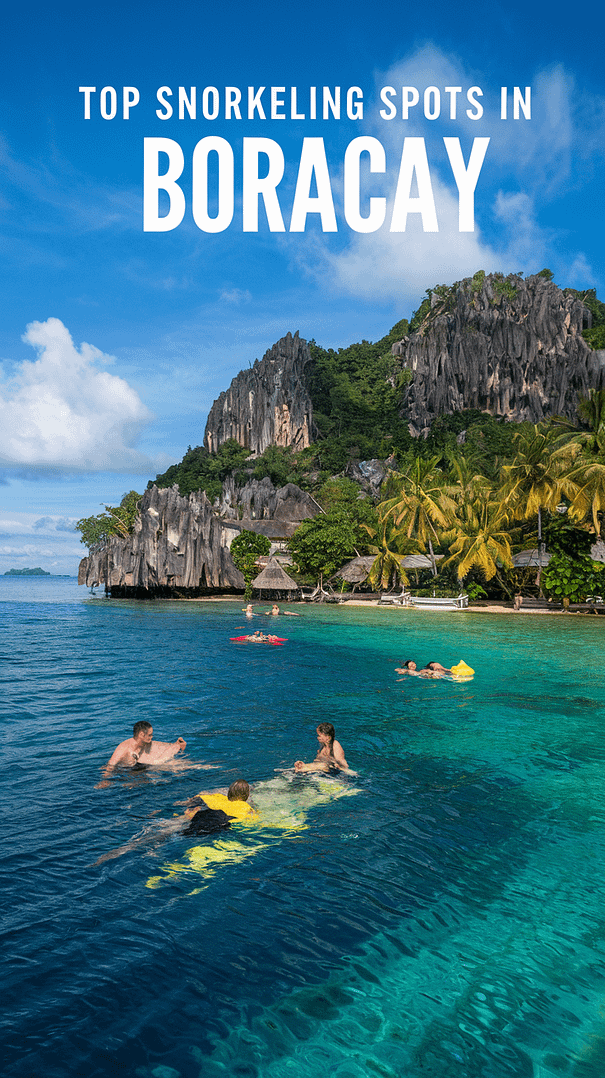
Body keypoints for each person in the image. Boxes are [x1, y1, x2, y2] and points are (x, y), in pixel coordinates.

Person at [102, 720, 187, 773]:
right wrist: (105, 780)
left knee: (180, 765)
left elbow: (159, 746)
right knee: (172, 767)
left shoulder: (145, 743)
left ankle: (199, 767)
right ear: (142, 735)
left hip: (140, 768)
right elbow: (110, 765)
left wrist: (177, 745)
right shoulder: (124, 747)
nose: (152, 737)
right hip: (125, 772)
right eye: (150, 735)